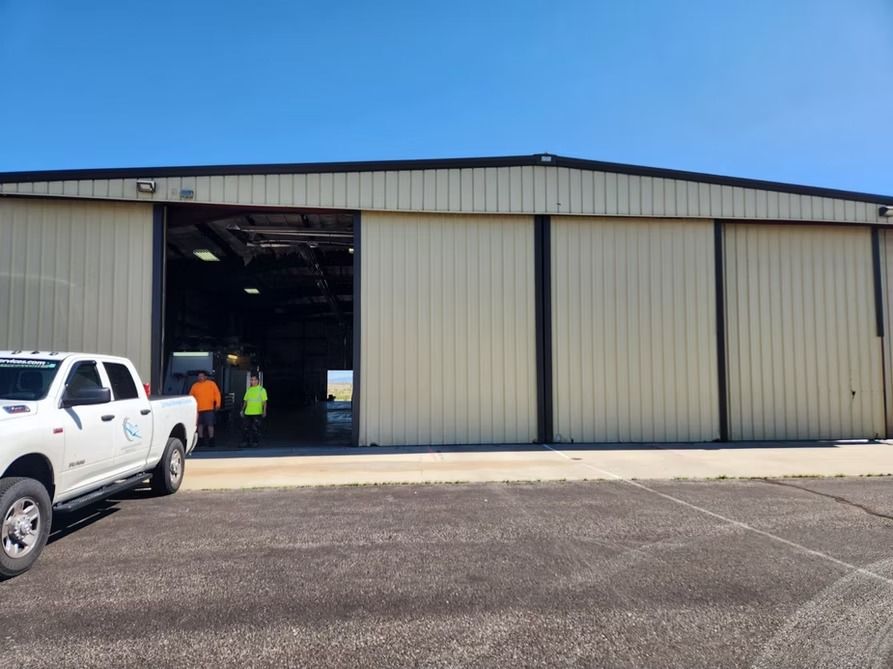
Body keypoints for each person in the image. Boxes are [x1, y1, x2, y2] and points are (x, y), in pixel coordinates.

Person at [189, 370, 221, 448]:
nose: (200, 377)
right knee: (199, 425)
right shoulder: (194, 386)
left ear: (206, 377)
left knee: (210, 425)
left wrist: (218, 404)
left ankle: (211, 440)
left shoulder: (211, 384)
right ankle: (200, 440)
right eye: (199, 376)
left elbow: (217, 394)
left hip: (209, 408)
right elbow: (190, 396)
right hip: (198, 409)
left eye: (202, 376)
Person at [240, 373, 268, 448]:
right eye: (252, 380)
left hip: (257, 412)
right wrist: (242, 410)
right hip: (248, 412)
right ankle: (246, 442)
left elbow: (264, 402)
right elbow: (245, 401)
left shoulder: (262, 390)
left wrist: (264, 411)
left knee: (255, 429)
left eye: (255, 380)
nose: (253, 381)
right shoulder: (249, 390)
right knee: (245, 428)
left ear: (258, 381)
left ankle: (255, 442)